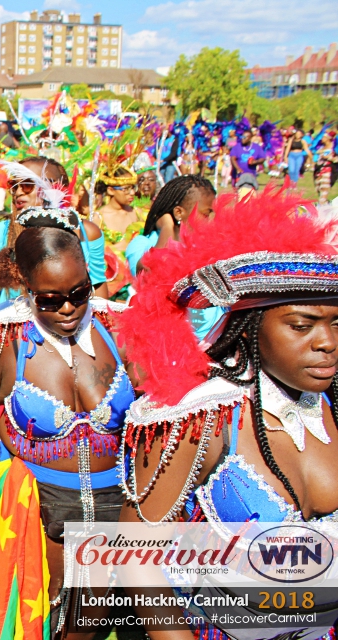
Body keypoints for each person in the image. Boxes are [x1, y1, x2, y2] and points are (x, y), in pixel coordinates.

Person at [118, 188, 338, 640]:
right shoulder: (198, 416)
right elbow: (137, 554)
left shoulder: (332, 403)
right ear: (251, 325)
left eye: (337, 323)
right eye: (301, 325)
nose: (326, 342)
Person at [0, 207, 135, 637]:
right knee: (38, 617)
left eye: (80, 292)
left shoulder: (119, 327)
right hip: (34, 507)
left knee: (87, 626)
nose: (69, 308)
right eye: (50, 299)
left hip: (116, 508)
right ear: (25, 286)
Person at [0, 156, 107, 313]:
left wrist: (97, 324)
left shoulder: (87, 232)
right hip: (21, 332)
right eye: (14, 186)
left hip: (74, 324)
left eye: (27, 184)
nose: (18, 192)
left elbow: (98, 283)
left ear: (54, 188)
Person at [124, 174, 216, 276]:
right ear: (179, 213)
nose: (210, 221)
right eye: (206, 214)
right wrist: (167, 227)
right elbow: (148, 275)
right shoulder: (141, 243)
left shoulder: (203, 244)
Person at [95, 166, 145, 300]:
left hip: (137, 282)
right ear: (111, 190)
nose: (132, 193)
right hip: (110, 286)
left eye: (133, 188)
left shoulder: (140, 214)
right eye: (126, 189)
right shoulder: (98, 217)